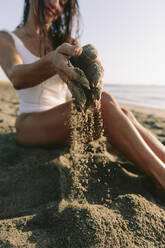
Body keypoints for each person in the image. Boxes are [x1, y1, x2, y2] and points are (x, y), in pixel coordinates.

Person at [0, 0, 165, 192]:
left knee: (124, 114)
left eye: (63, 3)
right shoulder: (7, 38)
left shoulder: (65, 41)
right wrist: (52, 61)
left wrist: (89, 67)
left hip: (60, 119)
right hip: (30, 123)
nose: (55, 5)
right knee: (105, 103)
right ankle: (161, 177)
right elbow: (16, 75)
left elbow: (84, 85)